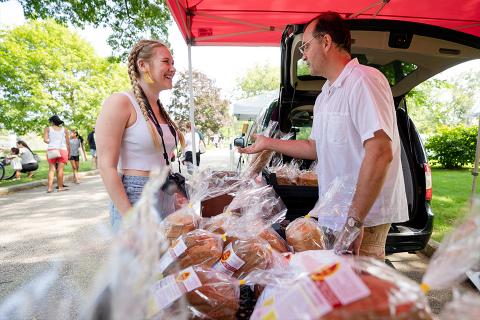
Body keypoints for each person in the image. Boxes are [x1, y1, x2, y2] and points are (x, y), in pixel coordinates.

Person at [240, 12, 408, 260]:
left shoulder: (364, 81)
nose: (303, 55)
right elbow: (313, 147)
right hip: (336, 215)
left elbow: (380, 151)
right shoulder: (325, 95)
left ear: (326, 42)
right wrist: (269, 143)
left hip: (364, 220)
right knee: (338, 290)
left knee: (360, 293)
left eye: (306, 46)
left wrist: (354, 222)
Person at [96, 39, 184, 231]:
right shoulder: (120, 102)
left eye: (173, 63)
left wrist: (176, 195)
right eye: (166, 62)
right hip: (136, 197)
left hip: (165, 195)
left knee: (166, 260)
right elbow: (105, 166)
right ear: (142, 65)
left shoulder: (158, 109)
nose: (172, 69)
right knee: (141, 260)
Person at [44, 115, 70, 193]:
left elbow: (45, 140)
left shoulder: (48, 129)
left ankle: (49, 188)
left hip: (52, 149)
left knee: (51, 169)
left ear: (52, 122)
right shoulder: (65, 129)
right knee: (60, 169)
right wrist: (69, 152)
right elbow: (68, 143)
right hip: (62, 150)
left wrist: (51, 142)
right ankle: (60, 188)